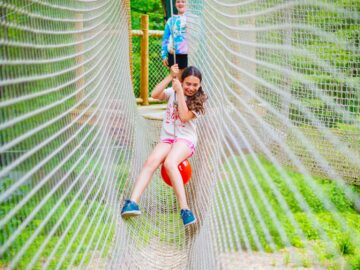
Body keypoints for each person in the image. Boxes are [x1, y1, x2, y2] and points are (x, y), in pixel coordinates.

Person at [121, 64, 207, 226]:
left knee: (170, 163)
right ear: (181, 81)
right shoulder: (173, 91)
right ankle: (132, 202)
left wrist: (180, 93)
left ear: (199, 85)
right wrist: (170, 76)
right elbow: (155, 94)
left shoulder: (199, 100)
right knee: (150, 162)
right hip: (168, 139)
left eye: (195, 85)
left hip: (185, 140)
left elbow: (183, 116)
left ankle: (185, 210)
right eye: (187, 83)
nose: (191, 88)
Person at [161, 0, 188, 74]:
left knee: (187, 82)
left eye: (183, 1)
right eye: (178, 1)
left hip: (188, 55)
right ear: (175, 4)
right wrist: (164, 55)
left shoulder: (192, 20)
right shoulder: (171, 20)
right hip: (174, 55)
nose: (180, 3)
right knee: (176, 81)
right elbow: (165, 38)